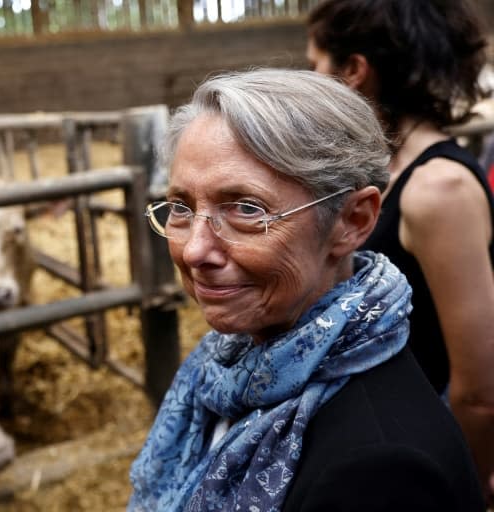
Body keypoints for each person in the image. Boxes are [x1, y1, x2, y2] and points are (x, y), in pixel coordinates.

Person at [127, 69, 484, 511]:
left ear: (352, 221)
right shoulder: (227, 369)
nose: (196, 250)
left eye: (246, 208)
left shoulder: (381, 475)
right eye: (182, 207)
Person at [307, 0, 494, 500]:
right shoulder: (379, 171)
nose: (311, 78)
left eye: (315, 66)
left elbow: (478, 390)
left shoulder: (439, 189)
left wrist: (464, 490)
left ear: (355, 71)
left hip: (418, 460)